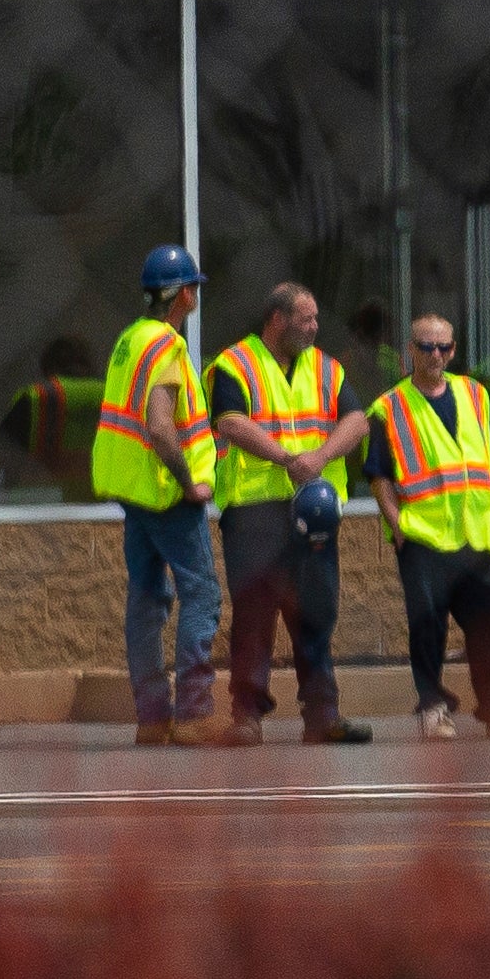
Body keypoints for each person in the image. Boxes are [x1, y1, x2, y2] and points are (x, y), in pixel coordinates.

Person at [208, 278, 373, 745]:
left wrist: (318, 460)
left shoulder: (327, 369)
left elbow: (357, 421)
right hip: (255, 510)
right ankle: (247, 717)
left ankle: (322, 717)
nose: (316, 327)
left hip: (314, 512)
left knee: (317, 611)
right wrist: (287, 459)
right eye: (307, 318)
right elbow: (230, 422)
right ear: (277, 319)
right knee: (255, 613)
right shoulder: (235, 364)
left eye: (317, 318)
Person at [371, 312, 490, 741]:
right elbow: (379, 476)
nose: (436, 356)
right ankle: (433, 708)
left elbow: (489, 458)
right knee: (427, 626)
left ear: (454, 350)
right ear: (411, 350)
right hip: (424, 536)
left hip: (477, 533)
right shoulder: (389, 407)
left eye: (444, 347)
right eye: (426, 347)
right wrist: (397, 525)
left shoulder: (474, 394)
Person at [92, 241, 222, 746]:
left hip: (135, 494)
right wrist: (191, 483)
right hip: (168, 494)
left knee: (146, 602)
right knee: (201, 595)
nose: (195, 297)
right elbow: (161, 427)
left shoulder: (131, 339)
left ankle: (152, 717)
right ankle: (193, 714)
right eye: (193, 288)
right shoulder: (166, 346)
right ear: (183, 295)